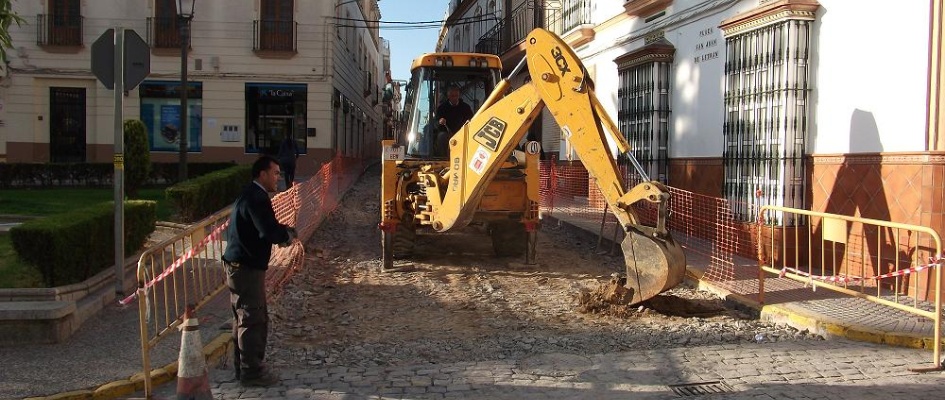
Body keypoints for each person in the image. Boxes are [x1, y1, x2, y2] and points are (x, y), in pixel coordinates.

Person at [222, 155, 297, 387]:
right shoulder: (256, 198)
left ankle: (242, 368)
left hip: (239, 265)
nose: (278, 177)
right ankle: (252, 373)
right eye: (275, 173)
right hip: (246, 268)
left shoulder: (251, 194)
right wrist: (286, 236)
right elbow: (267, 230)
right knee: (253, 318)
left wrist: (282, 231)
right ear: (262, 174)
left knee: (243, 317)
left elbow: (263, 226)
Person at [434, 85, 474, 156]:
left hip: (463, 133)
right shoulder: (442, 108)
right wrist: (440, 121)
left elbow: (472, 120)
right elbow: (436, 122)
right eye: (452, 96)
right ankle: (442, 158)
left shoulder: (465, 107)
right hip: (447, 133)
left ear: (459, 96)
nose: (455, 98)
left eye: (456, 95)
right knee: (441, 136)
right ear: (448, 96)